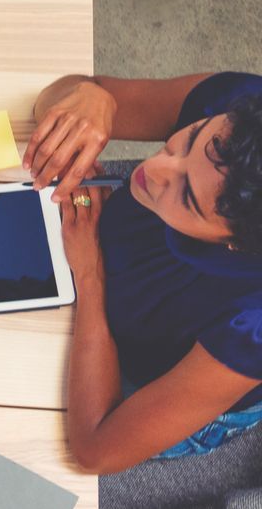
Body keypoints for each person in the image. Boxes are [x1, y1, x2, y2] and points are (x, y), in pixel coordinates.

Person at [27, 71, 262, 472]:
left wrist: (90, 275)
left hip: (170, 375)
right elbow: (51, 99)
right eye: (186, 140)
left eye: (185, 194)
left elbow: (96, 449)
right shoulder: (240, 109)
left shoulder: (252, 325)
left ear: (234, 245)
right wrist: (89, 95)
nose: (153, 168)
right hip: (98, 258)